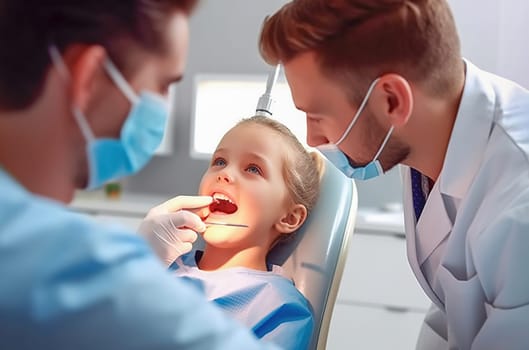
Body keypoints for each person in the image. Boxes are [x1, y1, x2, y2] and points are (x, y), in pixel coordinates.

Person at [0, 1, 280, 348]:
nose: (225, 176)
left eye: (253, 168)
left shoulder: (276, 303)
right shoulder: (66, 268)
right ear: (87, 77)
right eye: (162, 86)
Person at [258, 0, 529, 349]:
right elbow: (454, 312)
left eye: (318, 116)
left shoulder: (517, 208)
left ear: (392, 101)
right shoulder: (425, 138)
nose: (312, 140)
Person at [144, 116, 321, 350]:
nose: (225, 173)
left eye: (253, 168)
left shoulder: (280, 306)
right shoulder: (160, 264)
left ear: (289, 218)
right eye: (219, 161)